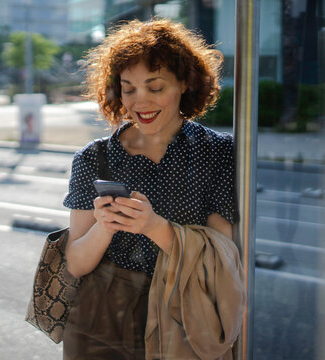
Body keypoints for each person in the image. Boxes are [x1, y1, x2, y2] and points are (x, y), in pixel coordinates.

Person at [62, 18, 240, 359]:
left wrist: (154, 227)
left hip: (186, 315)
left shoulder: (218, 153)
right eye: (128, 89)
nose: (139, 102)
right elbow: (76, 263)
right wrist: (105, 227)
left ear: (185, 83)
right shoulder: (93, 157)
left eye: (155, 87)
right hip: (102, 317)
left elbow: (223, 258)